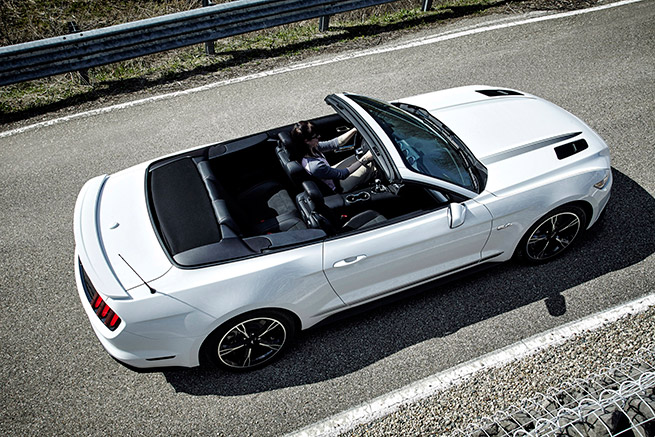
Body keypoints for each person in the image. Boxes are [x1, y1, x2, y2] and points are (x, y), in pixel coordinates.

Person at [290, 121, 374, 192]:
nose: (319, 137)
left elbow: (335, 143)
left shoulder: (311, 148)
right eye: (315, 136)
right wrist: (365, 158)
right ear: (306, 141)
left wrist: (355, 129)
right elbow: (342, 174)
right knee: (371, 165)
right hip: (338, 185)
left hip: (332, 173)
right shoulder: (315, 166)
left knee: (359, 156)